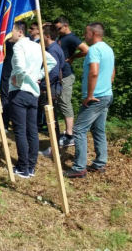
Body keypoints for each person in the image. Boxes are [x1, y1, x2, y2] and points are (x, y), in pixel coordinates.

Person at [64, 22, 115, 179]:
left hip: (95, 97)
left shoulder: (94, 49)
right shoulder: (108, 49)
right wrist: (107, 87)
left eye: (86, 33)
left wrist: (90, 95)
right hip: (106, 95)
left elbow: (94, 72)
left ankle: (79, 167)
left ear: (93, 33)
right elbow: (113, 71)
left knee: (79, 130)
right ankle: (99, 164)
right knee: (98, 130)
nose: (84, 36)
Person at [8, 22, 56, 179]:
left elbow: (20, 67)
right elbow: (52, 62)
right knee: (32, 130)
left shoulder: (19, 46)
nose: (8, 34)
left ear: (20, 32)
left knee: (21, 131)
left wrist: (19, 79)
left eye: (11, 31)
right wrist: (38, 76)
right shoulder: (36, 46)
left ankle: (23, 167)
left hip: (20, 92)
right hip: (33, 94)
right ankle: (31, 167)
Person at [54, 17, 89, 148]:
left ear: (65, 26)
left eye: (58, 28)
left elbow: (86, 49)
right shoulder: (62, 37)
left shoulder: (71, 38)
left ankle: (70, 135)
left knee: (65, 102)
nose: (57, 31)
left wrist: (72, 57)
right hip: (60, 74)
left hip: (66, 75)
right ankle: (67, 133)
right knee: (61, 103)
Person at [38, 25, 65, 158]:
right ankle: (54, 147)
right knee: (52, 118)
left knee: (51, 119)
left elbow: (54, 71)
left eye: (42, 34)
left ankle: (54, 149)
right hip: (53, 87)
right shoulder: (55, 48)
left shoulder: (52, 50)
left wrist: (42, 83)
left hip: (50, 89)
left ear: (47, 36)